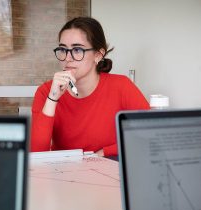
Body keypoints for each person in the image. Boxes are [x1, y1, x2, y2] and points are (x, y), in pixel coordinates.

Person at [31, 17, 149, 156]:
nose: (67, 58)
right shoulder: (46, 92)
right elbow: (36, 155)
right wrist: (53, 99)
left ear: (98, 55)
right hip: (64, 172)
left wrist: (103, 152)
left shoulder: (121, 86)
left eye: (77, 50)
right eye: (63, 49)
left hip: (109, 167)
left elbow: (149, 133)